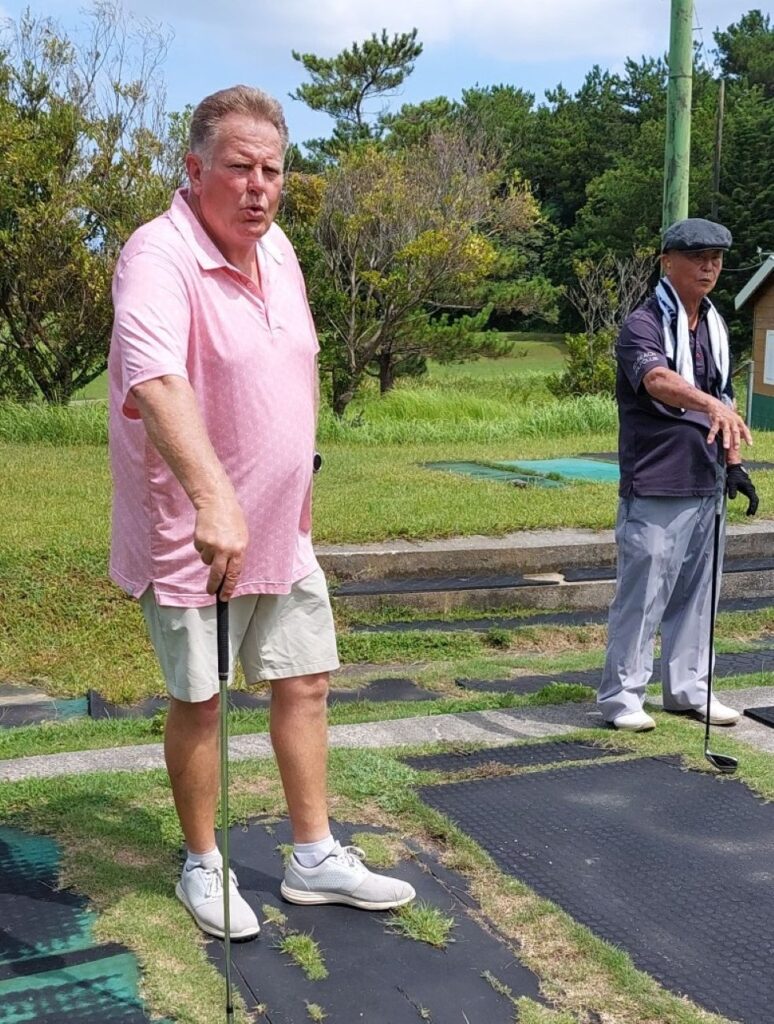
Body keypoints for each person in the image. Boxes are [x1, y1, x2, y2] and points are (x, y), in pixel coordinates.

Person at [108, 85, 415, 940]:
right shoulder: (157, 255)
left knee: (305, 680)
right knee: (202, 700)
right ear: (194, 168)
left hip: (283, 524)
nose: (259, 188)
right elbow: (156, 381)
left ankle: (312, 856)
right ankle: (202, 863)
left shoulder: (278, 249)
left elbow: (293, 363)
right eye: (240, 168)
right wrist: (214, 497)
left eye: (273, 171)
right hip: (195, 534)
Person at [598, 218, 759, 732]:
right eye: (696, 257)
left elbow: (725, 399)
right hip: (657, 480)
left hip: (705, 479)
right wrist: (710, 404)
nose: (708, 267)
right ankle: (623, 698)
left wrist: (735, 465)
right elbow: (657, 379)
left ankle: (689, 690)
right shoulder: (643, 323)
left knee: (698, 594)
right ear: (667, 261)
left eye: (716, 258)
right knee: (643, 595)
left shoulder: (714, 326)